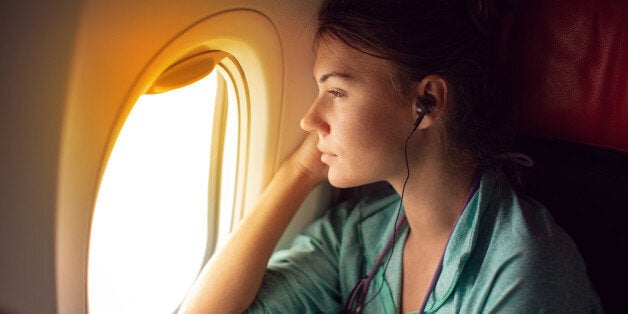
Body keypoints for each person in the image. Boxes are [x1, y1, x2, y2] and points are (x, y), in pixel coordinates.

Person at [179, 0, 603, 312]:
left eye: (336, 92)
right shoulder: (363, 235)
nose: (310, 119)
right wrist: (299, 171)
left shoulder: (524, 272)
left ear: (428, 102)